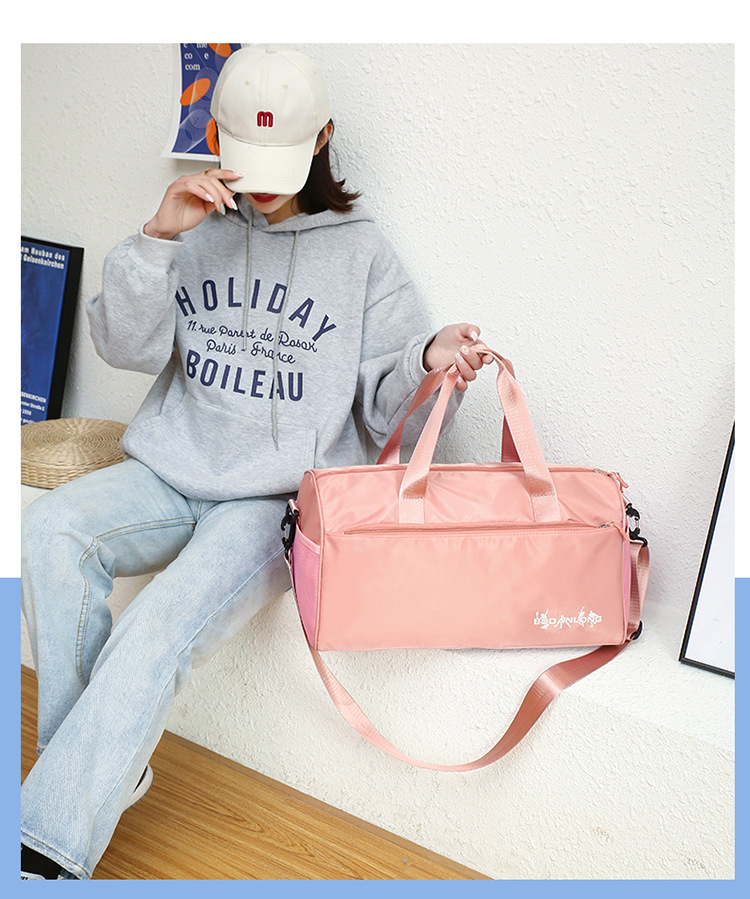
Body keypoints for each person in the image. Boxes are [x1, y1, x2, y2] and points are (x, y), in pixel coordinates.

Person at [20, 45, 491, 880]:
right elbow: (123, 346)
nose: (264, 184)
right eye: (247, 157)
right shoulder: (196, 228)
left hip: (269, 502)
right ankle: (89, 773)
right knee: (51, 529)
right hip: (168, 469)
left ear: (323, 138)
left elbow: (385, 412)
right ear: (215, 141)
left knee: (159, 623)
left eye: (283, 159)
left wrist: (428, 359)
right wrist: (157, 239)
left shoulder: (362, 253)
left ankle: (41, 852)